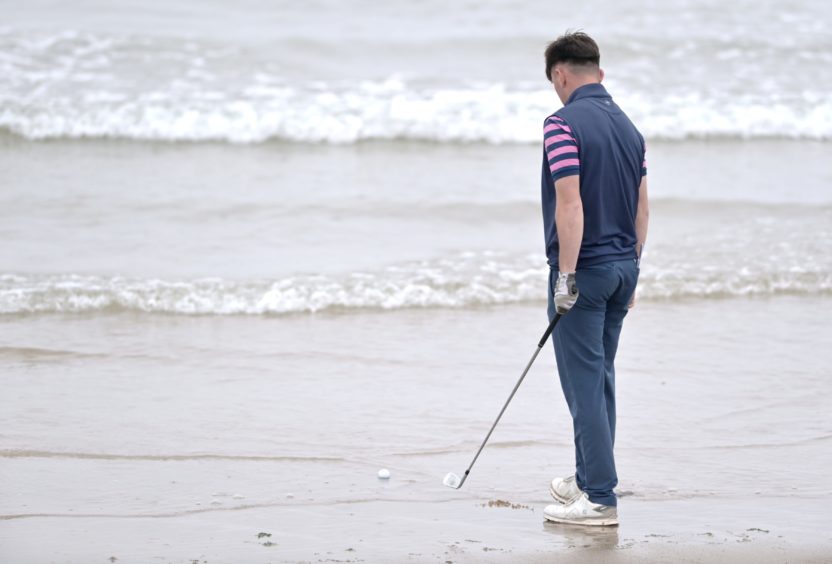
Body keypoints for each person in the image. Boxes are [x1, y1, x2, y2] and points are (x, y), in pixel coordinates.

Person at [539, 31, 649, 527]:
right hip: (624, 267)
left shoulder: (561, 123)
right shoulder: (629, 128)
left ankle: (600, 498)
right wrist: (634, 267)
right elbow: (643, 208)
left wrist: (566, 277)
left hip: (585, 272)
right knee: (600, 377)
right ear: (599, 74)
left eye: (554, 82)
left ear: (560, 75)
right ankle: (587, 477)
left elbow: (570, 204)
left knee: (584, 384)